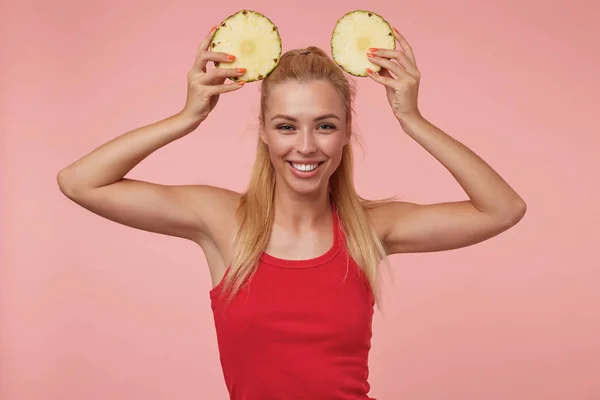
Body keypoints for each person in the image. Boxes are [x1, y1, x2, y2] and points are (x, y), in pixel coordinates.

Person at [57, 26, 526, 400]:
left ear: (346, 133)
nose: (306, 146)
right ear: (262, 130)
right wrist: (187, 117)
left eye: (325, 126)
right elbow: (80, 181)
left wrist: (413, 120)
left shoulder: (370, 229)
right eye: (286, 126)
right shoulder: (222, 221)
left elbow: (503, 209)